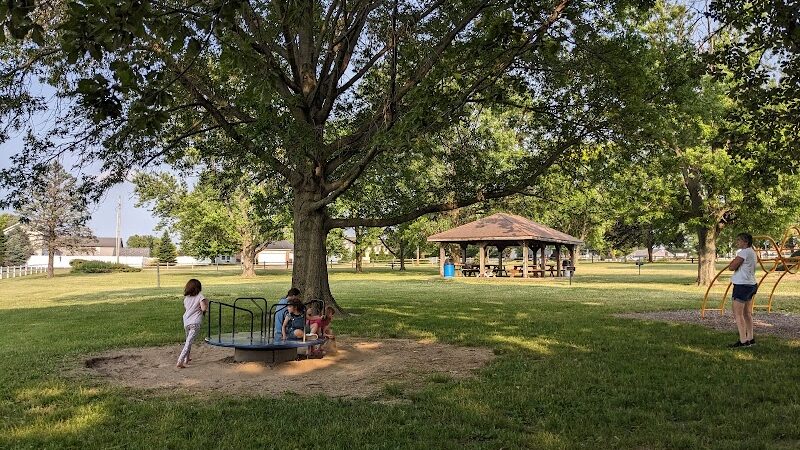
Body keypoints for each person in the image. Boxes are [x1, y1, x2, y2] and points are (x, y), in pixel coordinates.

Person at [729, 232, 758, 348]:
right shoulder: (753, 252)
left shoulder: (743, 252)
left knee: (738, 314)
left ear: (745, 242)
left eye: (739, 240)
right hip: (751, 284)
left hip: (742, 285)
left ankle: (743, 341)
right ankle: (750, 338)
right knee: (747, 313)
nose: (737, 242)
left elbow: (732, 266)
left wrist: (733, 262)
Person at [177, 278, 208, 368]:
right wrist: (206, 305)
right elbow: (203, 309)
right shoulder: (200, 296)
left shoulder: (186, 298)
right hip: (195, 322)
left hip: (186, 321)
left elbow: (187, 308)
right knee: (188, 342)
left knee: (188, 340)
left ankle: (187, 358)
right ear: (198, 288)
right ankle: (180, 360)